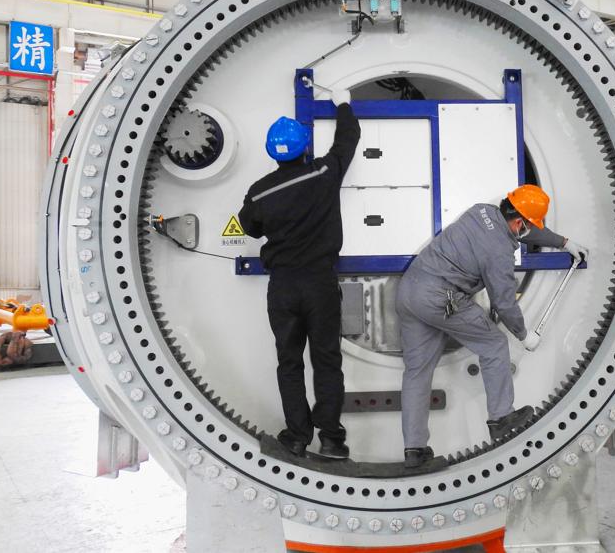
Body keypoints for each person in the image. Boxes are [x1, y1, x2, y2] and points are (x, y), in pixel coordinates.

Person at [396, 184, 589, 468]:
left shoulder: (481, 212)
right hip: (441, 297)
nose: (528, 232)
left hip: (409, 292)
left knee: (417, 371)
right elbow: (505, 303)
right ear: (520, 222)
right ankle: (500, 418)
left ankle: (414, 449)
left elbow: (520, 230)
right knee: (495, 344)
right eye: (528, 226)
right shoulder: (498, 252)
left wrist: (562, 242)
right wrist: (524, 335)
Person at [238, 88, 360, 460]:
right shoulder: (324, 172)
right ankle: (332, 439)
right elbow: (348, 139)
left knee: (288, 361)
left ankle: (296, 435)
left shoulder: (259, 193)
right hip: (320, 283)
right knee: (327, 360)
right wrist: (343, 104)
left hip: (284, 287)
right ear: (304, 147)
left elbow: (248, 226)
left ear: (272, 153)